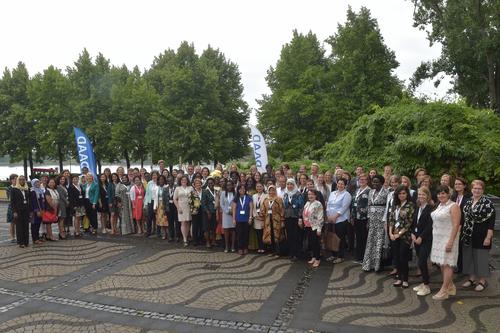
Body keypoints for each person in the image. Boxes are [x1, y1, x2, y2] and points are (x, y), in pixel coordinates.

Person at [460, 180, 496, 292]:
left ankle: (482, 281)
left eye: (479, 188)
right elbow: (463, 219)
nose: (477, 190)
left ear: (483, 190)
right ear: (471, 189)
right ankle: (471, 279)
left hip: (482, 236)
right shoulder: (468, 202)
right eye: (475, 188)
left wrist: (488, 238)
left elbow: (491, 223)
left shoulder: (488, 204)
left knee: (481, 259)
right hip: (468, 235)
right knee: (469, 258)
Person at [430, 185, 461, 300]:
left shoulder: (454, 206)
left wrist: (451, 242)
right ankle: (451, 286)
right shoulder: (439, 205)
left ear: (448, 194)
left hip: (448, 238)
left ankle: (444, 290)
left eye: (443, 193)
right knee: (441, 263)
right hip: (438, 239)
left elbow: (456, 225)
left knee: (447, 264)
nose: (440, 195)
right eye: (438, 193)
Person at [388, 185, 414, 289]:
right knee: (397, 257)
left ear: (407, 194)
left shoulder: (410, 205)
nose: (402, 195)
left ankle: (405, 279)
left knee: (403, 258)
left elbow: (409, 222)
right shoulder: (395, 205)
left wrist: (399, 234)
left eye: (404, 193)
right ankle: (399, 278)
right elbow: (391, 220)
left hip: (404, 236)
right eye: (400, 193)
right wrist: (390, 233)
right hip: (393, 235)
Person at [362, 175, 389, 272]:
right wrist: (368, 220)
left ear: (382, 183)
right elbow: (369, 206)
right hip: (372, 220)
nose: (374, 184)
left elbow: (387, 208)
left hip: (381, 220)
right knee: (370, 242)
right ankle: (368, 264)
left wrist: (385, 220)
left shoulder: (386, 193)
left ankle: (377, 266)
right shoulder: (370, 192)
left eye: (377, 182)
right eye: (373, 182)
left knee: (379, 242)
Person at [411, 186, 434, 296]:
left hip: (426, 239)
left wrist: (421, 237)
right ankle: (423, 283)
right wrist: (413, 234)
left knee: (422, 262)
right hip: (416, 238)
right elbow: (414, 222)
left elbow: (430, 226)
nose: (421, 196)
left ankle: (426, 285)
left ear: (427, 196)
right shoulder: (418, 207)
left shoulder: (430, 208)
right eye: (419, 194)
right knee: (420, 261)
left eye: (423, 195)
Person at [326, 178, 352, 263]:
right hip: (330, 219)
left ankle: (340, 256)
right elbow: (328, 205)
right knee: (332, 236)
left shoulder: (347, 194)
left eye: (342, 184)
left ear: (345, 185)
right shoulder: (333, 193)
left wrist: (335, 216)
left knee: (340, 238)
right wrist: (329, 216)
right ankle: (333, 254)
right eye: (339, 183)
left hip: (341, 219)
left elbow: (344, 208)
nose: (340, 185)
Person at [283, 178, 305, 261]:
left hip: (296, 218)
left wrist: (300, 217)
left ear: (294, 185)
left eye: (291, 184)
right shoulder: (285, 194)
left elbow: (301, 207)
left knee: (296, 236)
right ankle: (291, 253)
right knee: (290, 236)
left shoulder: (298, 194)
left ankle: (297, 253)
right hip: (288, 218)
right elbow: (284, 206)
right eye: (288, 184)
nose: (289, 186)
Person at [351, 173, 370, 263]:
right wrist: (352, 216)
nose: (361, 181)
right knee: (358, 237)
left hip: (364, 218)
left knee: (364, 238)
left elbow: (370, 205)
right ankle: (358, 256)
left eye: (363, 179)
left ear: (367, 181)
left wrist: (369, 219)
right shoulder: (357, 190)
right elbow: (353, 203)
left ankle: (364, 257)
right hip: (356, 217)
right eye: (360, 180)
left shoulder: (369, 191)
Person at [261, 185, 285, 256]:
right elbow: (263, 210)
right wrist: (262, 219)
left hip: (277, 220)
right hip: (268, 220)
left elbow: (282, 210)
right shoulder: (265, 200)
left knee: (277, 235)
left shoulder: (279, 199)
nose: (271, 192)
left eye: (273, 190)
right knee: (270, 235)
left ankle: (278, 252)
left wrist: (282, 220)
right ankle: (272, 251)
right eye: (270, 190)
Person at [303, 189, 324, 268]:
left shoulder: (318, 204)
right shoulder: (307, 203)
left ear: (315, 195)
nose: (310, 196)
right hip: (307, 226)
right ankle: (314, 257)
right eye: (309, 194)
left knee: (316, 244)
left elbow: (320, 217)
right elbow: (305, 214)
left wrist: (319, 228)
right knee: (311, 243)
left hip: (315, 227)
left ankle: (318, 259)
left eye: (312, 194)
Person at [232, 184, 253, 255]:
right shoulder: (236, 198)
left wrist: (250, 217)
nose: (242, 190)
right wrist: (234, 219)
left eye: (243, 189)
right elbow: (234, 209)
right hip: (238, 219)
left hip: (246, 219)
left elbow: (251, 208)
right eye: (240, 189)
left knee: (246, 234)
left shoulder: (249, 197)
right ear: (238, 190)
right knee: (239, 234)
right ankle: (240, 248)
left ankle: (245, 247)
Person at [11, 175, 31, 248]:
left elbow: (29, 200)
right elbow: (12, 202)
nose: (22, 181)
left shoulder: (26, 189)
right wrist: (14, 212)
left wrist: (30, 211)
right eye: (20, 180)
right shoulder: (14, 189)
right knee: (19, 227)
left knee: (26, 226)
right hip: (18, 210)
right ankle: (21, 242)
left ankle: (26, 242)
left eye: (23, 179)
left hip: (26, 210)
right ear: (18, 181)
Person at [174, 175, 192, 246]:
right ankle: (184, 239)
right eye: (182, 180)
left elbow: (194, 196)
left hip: (189, 207)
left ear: (187, 181)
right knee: (183, 222)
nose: (184, 181)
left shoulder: (190, 188)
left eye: (185, 180)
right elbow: (175, 199)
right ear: (180, 181)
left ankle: (187, 236)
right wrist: (178, 207)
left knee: (188, 222)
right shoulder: (178, 188)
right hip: (181, 207)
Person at [220, 180, 236, 252]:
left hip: (234, 214)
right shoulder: (223, 193)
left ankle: (233, 246)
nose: (229, 186)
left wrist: (233, 211)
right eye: (227, 185)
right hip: (226, 214)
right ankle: (226, 246)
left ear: (233, 185)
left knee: (233, 230)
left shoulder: (235, 193)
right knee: (226, 230)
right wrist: (227, 211)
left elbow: (237, 203)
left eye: (230, 185)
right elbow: (221, 204)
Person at [202, 177, 217, 247]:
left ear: (214, 183)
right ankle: (207, 242)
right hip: (207, 213)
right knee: (207, 229)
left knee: (214, 228)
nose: (211, 184)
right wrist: (208, 212)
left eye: (212, 183)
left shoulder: (216, 191)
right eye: (209, 183)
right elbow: (203, 203)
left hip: (214, 212)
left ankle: (213, 241)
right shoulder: (205, 192)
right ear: (207, 184)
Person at [252, 182, 267, 253]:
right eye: (257, 186)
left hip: (264, 218)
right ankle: (260, 247)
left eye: (260, 186)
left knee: (264, 233)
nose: (259, 188)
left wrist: (263, 217)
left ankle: (264, 247)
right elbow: (252, 207)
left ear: (263, 187)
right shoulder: (254, 196)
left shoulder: (266, 196)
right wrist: (255, 216)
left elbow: (267, 207)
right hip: (256, 218)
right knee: (258, 233)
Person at [144, 171, 159, 237]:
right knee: (149, 217)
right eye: (153, 175)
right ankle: (148, 231)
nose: (154, 176)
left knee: (158, 217)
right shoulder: (149, 183)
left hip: (158, 202)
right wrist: (145, 204)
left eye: (155, 175)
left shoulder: (160, 183)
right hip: (151, 201)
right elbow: (147, 194)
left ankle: (158, 232)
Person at [30, 179, 45, 244]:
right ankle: (35, 239)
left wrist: (43, 209)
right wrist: (37, 211)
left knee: (38, 224)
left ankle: (37, 238)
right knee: (34, 225)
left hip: (41, 210)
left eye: (38, 182)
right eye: (36, 183)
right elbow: (33, 202)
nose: (38, 184)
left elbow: (42, 201)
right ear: (33, 184)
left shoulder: (40, 190)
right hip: (35, 211)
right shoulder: (32, 191)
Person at [154, 175, 169, 239]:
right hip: (159, 205)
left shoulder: (167, 187)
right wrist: (154, 207)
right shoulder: (156, 188)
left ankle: (168, 233)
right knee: (161, 220)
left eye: (162, 179)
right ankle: (164, 233)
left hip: (165, 205)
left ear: (164, 180)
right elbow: (155, 198)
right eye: (160, 179)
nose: (161, 181)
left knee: (166, 220)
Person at [166, 176, 180, 242]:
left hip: (176, 206)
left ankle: (177, 236)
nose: (170, 182)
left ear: (173, 181)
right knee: (170, 222)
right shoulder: (165, 189)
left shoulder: (177, 188)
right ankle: (171, 236)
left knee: (177, 222)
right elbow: (164, 199)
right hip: (169, 207)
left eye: (171, 181)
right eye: (168, 181)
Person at [190, 178, 204, 246]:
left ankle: (201, 239)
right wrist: (193, 209)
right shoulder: (192, 192)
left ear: (201, 184)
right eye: (196, 183)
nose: (198, 184)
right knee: (195, 225)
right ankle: (195, 240)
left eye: (199, 183)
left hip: (203, 210)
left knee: (201, 225)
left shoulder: (204, 191)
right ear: (194, 185)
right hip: (195, 210)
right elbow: (190, 202)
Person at [6, 174, 18, 243]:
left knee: (18, 223)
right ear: (11, 180)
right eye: (14, 179)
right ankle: (12, 237)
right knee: (12, 223)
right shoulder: (9, 188)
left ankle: (18, 236)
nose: (16, 180)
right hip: (12, 207)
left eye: (17, 179)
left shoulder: (19, 187)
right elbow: (10, 199)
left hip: (19, 207)